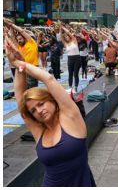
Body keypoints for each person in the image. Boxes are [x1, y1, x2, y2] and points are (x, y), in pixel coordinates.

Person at [5, 37, 96, 186]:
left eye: (41, 104)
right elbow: (20, 99)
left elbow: (49, 79)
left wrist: (19, 63)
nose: (39, 111)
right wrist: (19, 66)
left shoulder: (71, 117)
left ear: (52, 100)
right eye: (34, 110)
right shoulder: (39, 130)